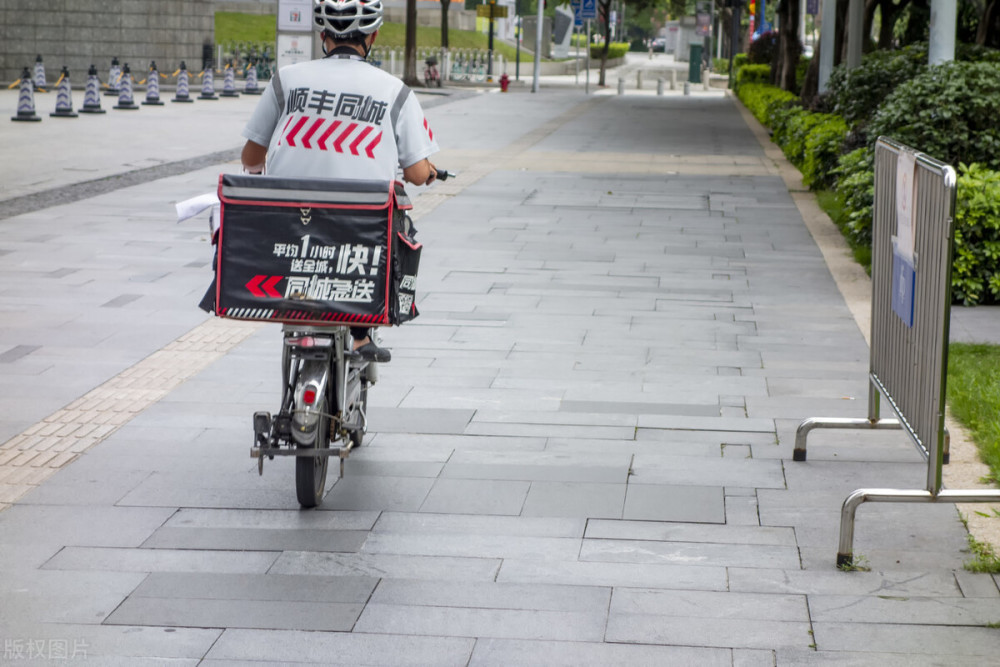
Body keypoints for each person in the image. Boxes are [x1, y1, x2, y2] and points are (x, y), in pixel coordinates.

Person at [240, 0, 439, 362]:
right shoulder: (395, 91)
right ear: (373, 36)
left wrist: (261, 186)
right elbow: (415, 172)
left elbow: (251, 156)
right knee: (391, 227)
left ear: (323, 35)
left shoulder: (286, 80)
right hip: (359, 229)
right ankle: (361, 338)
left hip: (288, 229)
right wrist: (430, 172)